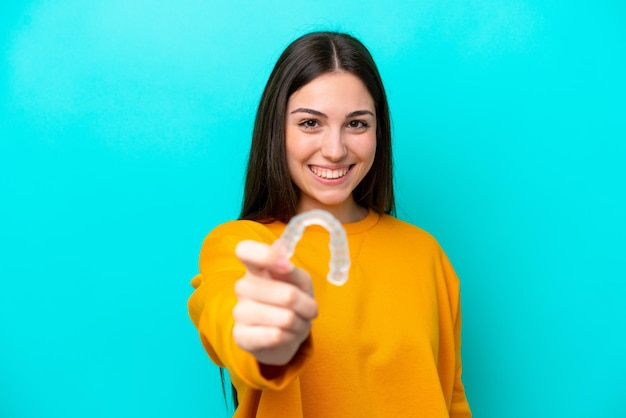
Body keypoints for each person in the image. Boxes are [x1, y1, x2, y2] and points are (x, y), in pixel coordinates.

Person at [188, 31, 472, 417]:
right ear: (276, 130)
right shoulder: (241, 244)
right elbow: (225, 308)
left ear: (378, 132)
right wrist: (261, 336)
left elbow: (451, 401)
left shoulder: (425, 253)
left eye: (357, 124)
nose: (335, 150)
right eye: (310, 123)